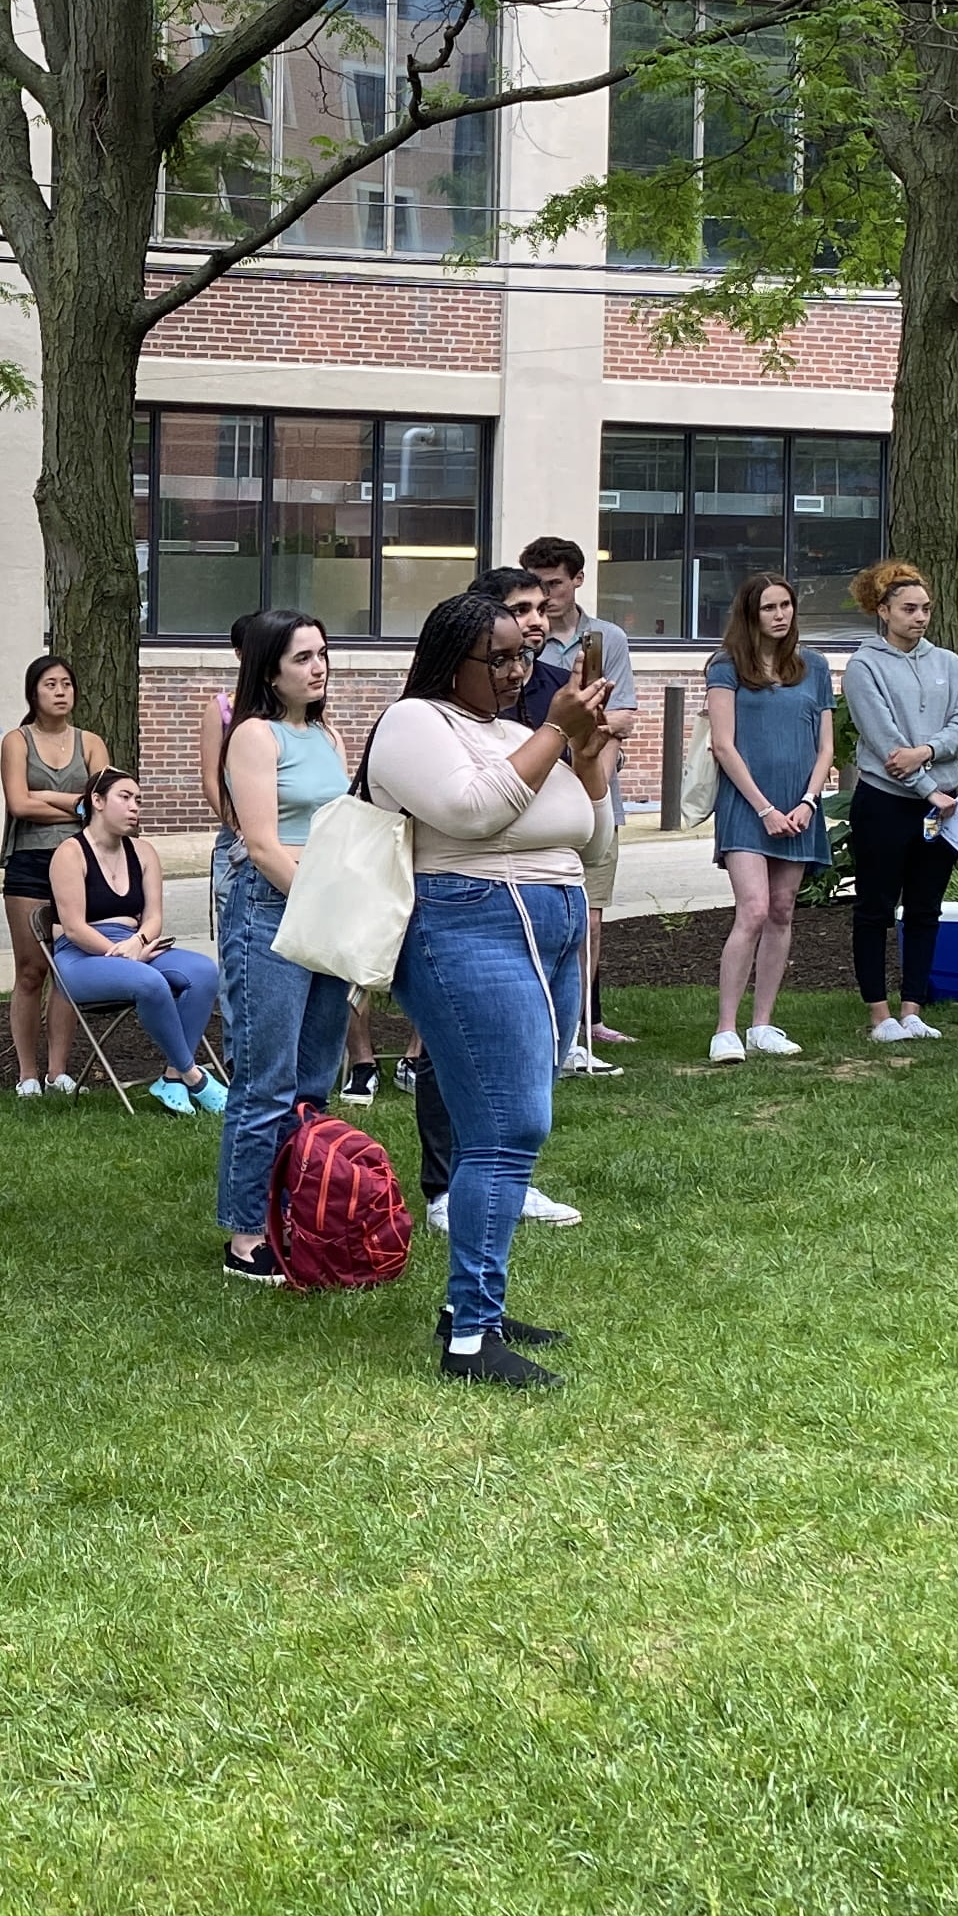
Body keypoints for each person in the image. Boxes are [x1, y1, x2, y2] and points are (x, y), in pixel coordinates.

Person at [363, 590, 608, 1390]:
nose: (517, 670)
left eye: (523, 656)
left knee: (497, 1133)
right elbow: (470, 813)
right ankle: (470, 1341)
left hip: (552, 930)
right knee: (511, 1126)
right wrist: (555, 735)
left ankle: (476, 1309)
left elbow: (592, 832)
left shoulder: (516, 733)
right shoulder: (414, 724)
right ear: (451, 661)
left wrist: (590, 755)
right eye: (499, 658)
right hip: (465, 927)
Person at [212, 609, 353, 1285]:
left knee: (314, 1080)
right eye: (303, 657)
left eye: (323, 654)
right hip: (270, 912)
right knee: (265, 1080)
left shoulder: (327, 735)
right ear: (270, 669)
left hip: (325, 907)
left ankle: (301, 1208)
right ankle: (245, 1236)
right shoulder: (253, 736)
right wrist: (322, 901)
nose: (318, 667)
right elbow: (262, 844)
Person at [842, 558, 958, 1043]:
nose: (919, 617)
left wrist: (927, 753)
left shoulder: (949, 663)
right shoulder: (864, 665)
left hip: (943, 806)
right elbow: (883, 741)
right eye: (908, 609)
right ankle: (879, 1015)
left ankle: (913, 1007)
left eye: (925, 608)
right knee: (875, 908)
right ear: (883, 611)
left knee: (925, 908)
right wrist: (928, 788)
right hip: (886, 801)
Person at [708, 572, 838, 1061]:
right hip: (748, 807)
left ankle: (763, 1024)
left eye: (785, 605)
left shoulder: (816, 666)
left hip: (801, 807)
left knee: (783, 909)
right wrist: (763, 807)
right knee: (755, 909)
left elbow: (826, 746)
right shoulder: (727, 666)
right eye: (769, 608)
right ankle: (726, 1028)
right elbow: (723, 743)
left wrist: (808, 801)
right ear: (750, 614)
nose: (780, 615)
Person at [45, 768, 225, 1114]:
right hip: (82, 957)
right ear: (97, 802)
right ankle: (195, 1078)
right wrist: (123, 957)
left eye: (138, 800)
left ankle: (172, 1078)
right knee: (149, 982)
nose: (134, 807)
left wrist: (138, 943)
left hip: (135, 944)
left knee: (203, 972)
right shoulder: (70, 853)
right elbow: (74, 928)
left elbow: (154, 917)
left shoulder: (143, 852)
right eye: (124, 798)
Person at [522, 536, 637, 1070]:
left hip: (594, 794)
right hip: (537, 797)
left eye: (555, 584)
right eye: (537, 584)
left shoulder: (604, 638)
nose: (546, 597)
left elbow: (625, 717)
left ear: (577, 581)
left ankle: (582, 1024)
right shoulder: (527, 641)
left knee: (590, 917)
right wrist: (582, 725)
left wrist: (583, 729)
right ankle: (548, 1022)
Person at [0, 652, 110, 1094]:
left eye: (66, 683)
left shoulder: (91, 742)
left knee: (68, 967)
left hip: (81, 863)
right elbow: (18, 804)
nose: (60, 691)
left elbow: (101, 805)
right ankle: (27, 1074)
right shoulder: (16, 741)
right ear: (34, 692)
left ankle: (58, 1072)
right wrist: (75, 803)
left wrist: (52, 797)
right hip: (29, 863)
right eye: (50, 684)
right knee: (31, 970)